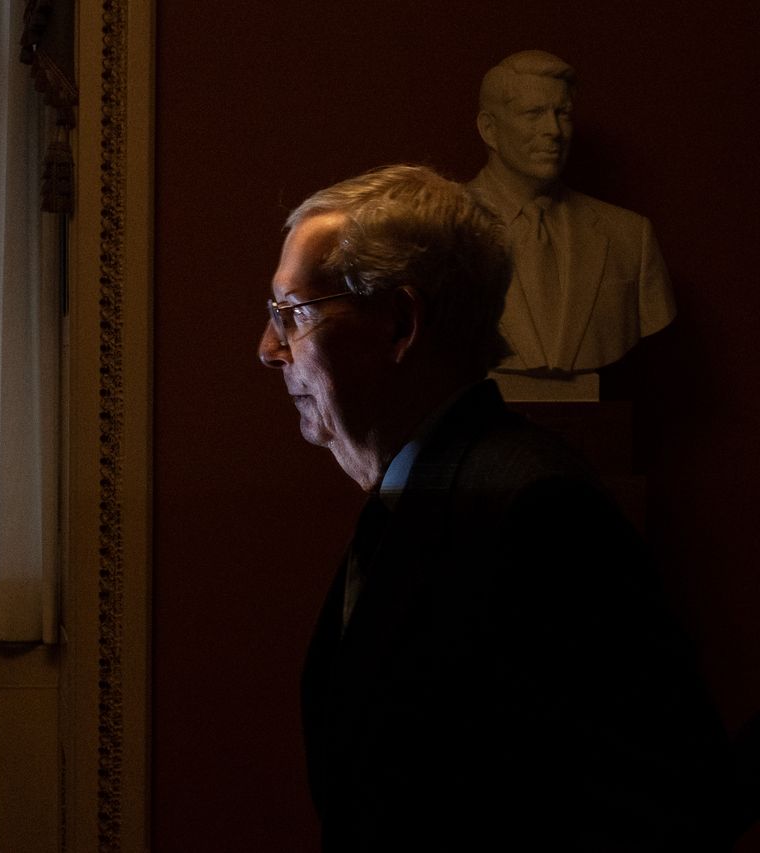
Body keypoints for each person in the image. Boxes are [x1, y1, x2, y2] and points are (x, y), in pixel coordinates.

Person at [258, 165, 737, 850]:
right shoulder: (411, 495)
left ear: (400, 323)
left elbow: (662, 807)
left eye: (293, 313)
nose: (269, 349)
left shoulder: (538, 512)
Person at [469, 50, 676, 379]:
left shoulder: (629, 236)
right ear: (490, 129)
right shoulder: (438, 233)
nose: (553, 130)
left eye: (562, 113)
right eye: (534, 113)